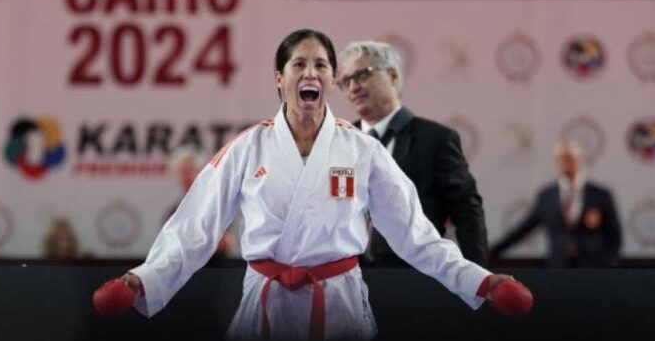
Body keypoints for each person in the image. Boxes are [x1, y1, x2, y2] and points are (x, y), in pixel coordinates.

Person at [118, 29, 513, 340]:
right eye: (299, 64)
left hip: (338, 304)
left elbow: (415, 235)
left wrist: (480, 281)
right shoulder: (247, 147)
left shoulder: (362, 150)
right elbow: (195, 229)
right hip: (264, 305)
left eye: (322, 65)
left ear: (330, 79)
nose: (311, 73)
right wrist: (144, 279)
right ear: (280, 77)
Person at [337, 40, 488, 266]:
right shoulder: (339, 141)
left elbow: (467, 213)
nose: (353, 87)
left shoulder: (435, 139)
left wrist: (477, 284)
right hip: (348, 281)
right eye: (346, 81)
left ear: (393, 76)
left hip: (415, 280)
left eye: (362, 75)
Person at [490, 139, 622, 267]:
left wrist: (607, 263)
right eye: (561, 158)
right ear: (556, 162)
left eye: (569, 157)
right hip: (558, 268)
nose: (565, 162)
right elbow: (523, 229)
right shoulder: (546, 196)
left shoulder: (600, 195)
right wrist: (490, 252)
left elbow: (615, 235)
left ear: (580, 159)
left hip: (594, 269)